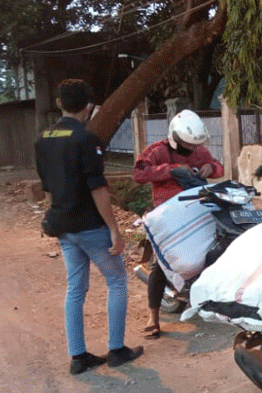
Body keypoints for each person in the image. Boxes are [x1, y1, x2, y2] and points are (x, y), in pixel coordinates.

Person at [34, 79, 143, 375]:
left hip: (64, 227)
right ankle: (117, 350)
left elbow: (47, 189)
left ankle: (78, 357)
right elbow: (98, 189)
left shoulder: (43, 139)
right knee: (117, 281)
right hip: (91, 226)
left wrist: (53, 216)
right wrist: (114, 229)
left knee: (75, 288)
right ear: (90, 106)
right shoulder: (87, 139)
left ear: (59, 103)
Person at [132, 109, 224, 339]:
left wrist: (210, 169)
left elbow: (218, 166)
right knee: (160, 266)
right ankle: (152, 318)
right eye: (187, 146)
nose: (192, 150)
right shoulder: (157, 151)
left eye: (195, 146)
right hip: (167, 213)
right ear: (175, 138)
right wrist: (171, 170)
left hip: (196, 209)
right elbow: (139, 174)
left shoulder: (198, 150)